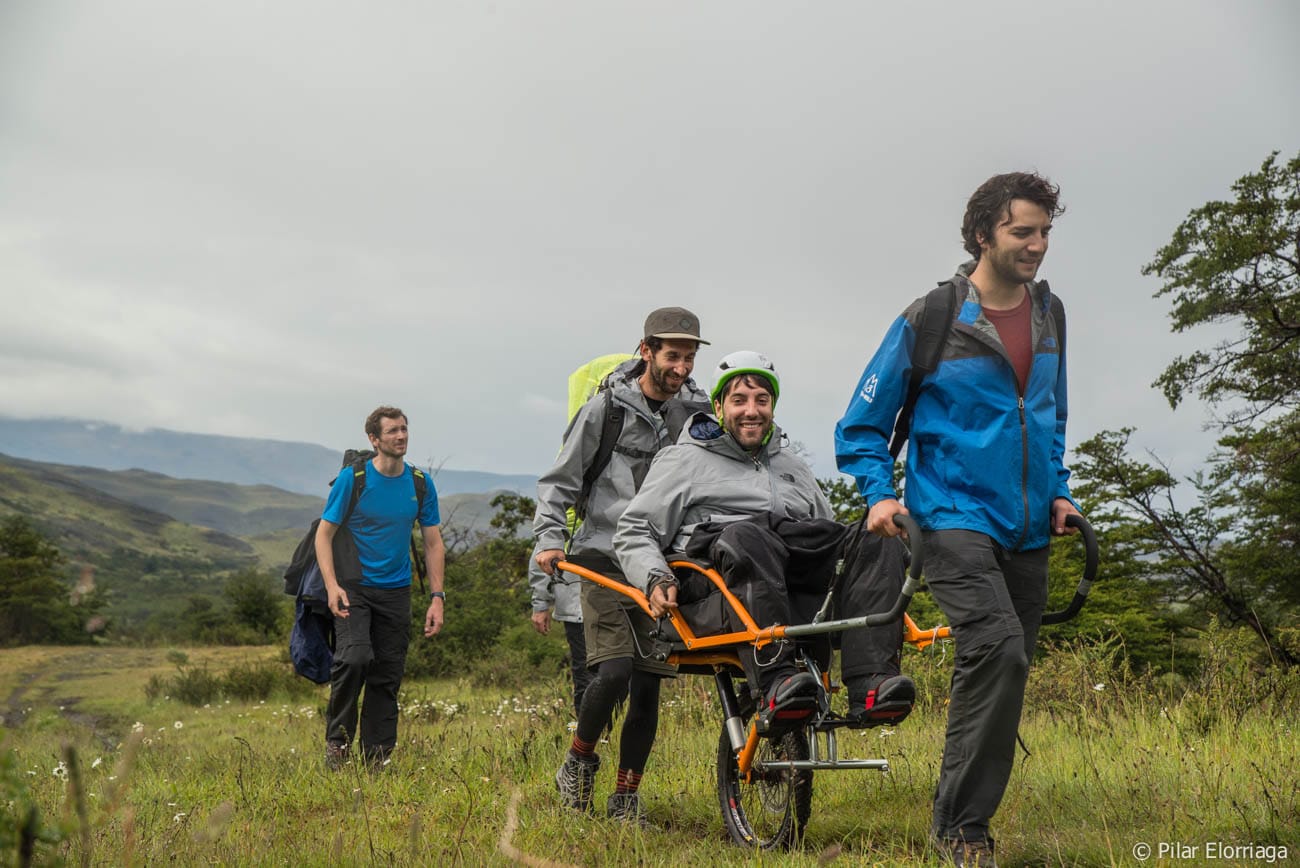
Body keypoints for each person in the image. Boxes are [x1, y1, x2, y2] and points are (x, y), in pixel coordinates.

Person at [835, 171, 1081, 868]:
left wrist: (1060, 489)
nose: (1037, 246)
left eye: (1044, 233)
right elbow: (861, 424)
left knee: (1007, 667)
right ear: (983, 235)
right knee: (997, 646)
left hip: (1028, 523)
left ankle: (963, 817)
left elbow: (1051, 416)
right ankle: (961, 832)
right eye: (1022, 232)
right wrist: (879, 493)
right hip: (948, 515)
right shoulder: (932, 316)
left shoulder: (1050, 313)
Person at [613, 351, 915, 733]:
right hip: (715, 579)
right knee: (749, 533)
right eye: (738, 400)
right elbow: (635, 530)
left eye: (761, 400)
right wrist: (655, 578)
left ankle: (872, 685)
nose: (751, 410)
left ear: (773, 406)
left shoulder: (793, 466)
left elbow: (829, 540)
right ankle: (776, 681)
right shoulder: (683, 461)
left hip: (790, 576)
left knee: (875, 539)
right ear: (719, 407)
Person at [533, 307, 711, 823]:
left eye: (689, 357)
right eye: (672, 355)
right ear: (646, 351)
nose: (680, 367)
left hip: (662, 563)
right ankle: (578, 760)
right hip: (602, 558)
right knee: (611, 671)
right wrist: (548, 540)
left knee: (648, 684)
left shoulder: (697, 415)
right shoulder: (605, 410)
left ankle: (626, 797)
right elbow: (559, 481)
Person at [316, 406, 446, 769]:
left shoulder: (420, 483)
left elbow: (433, 543)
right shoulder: (353, 479)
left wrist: (437, 598)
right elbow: (323, 535)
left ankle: (377, 756)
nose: (401, 436)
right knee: (355, 658)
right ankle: (337, 743)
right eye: (392, 431)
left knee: (388, 673)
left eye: (404, 429)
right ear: (374, 440)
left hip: (396, 590)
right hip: (353, 586)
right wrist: (331, 586)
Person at [527, 547, 590, 718]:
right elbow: (541, 556)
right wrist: (540, 604)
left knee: (619, 673)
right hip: (576, 610)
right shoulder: (560, 523)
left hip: (618, 606)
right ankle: (588, 736)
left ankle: (608, 728)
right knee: (584, 674)